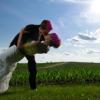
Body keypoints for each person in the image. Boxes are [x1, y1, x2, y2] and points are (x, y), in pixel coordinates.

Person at [9, 20, 53, 90]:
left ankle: (33, 88)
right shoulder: (31, 27)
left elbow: (46, 43)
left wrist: (47, 46)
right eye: (47, 31)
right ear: (42, 27)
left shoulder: (42, 34)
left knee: (33, 68)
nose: (47, 33)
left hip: (28, 49)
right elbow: (24, 42)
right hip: (16, 46)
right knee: (8, 66)